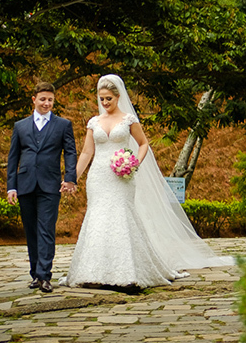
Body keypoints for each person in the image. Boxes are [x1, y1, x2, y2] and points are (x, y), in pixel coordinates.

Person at [63, 74, 233, 289]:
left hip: (121, 176)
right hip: (98, 177)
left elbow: (143, 144)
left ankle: (127, 271)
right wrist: (72, 178)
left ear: (118, 97)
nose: (105, 103)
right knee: (97, 218)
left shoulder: (128, 120)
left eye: (109, 99)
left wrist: (133, 163)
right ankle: (93, 270)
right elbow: (87, 152)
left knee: (121, 216)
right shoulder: (94, 122)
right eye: (102, 99)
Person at [6, 82, 78, 293]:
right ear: (34, 99)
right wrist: (12, 186)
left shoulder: (63, 125)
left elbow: (70, 152)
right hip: (25, 183)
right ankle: (35, 275)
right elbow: (13, 158)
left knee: (46, 229)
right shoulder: (20, 126)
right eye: (43, 99)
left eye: (50, 100)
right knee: (31, 232)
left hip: (50, 185)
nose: (47, 103)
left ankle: (45, 275)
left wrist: (70, 177)